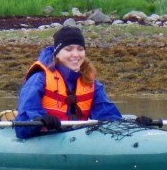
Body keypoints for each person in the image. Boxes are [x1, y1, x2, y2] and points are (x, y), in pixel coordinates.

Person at [14, 25, 157, 138]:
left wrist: (135, 125)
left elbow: (108, 117)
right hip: (44, 138)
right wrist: (41, 120)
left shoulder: (91, 83)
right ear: (57, 53)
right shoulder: (39, 78)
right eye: (69, 49)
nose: (75, 55)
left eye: (80, 49)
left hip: (75, 138)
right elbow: (23, 126)